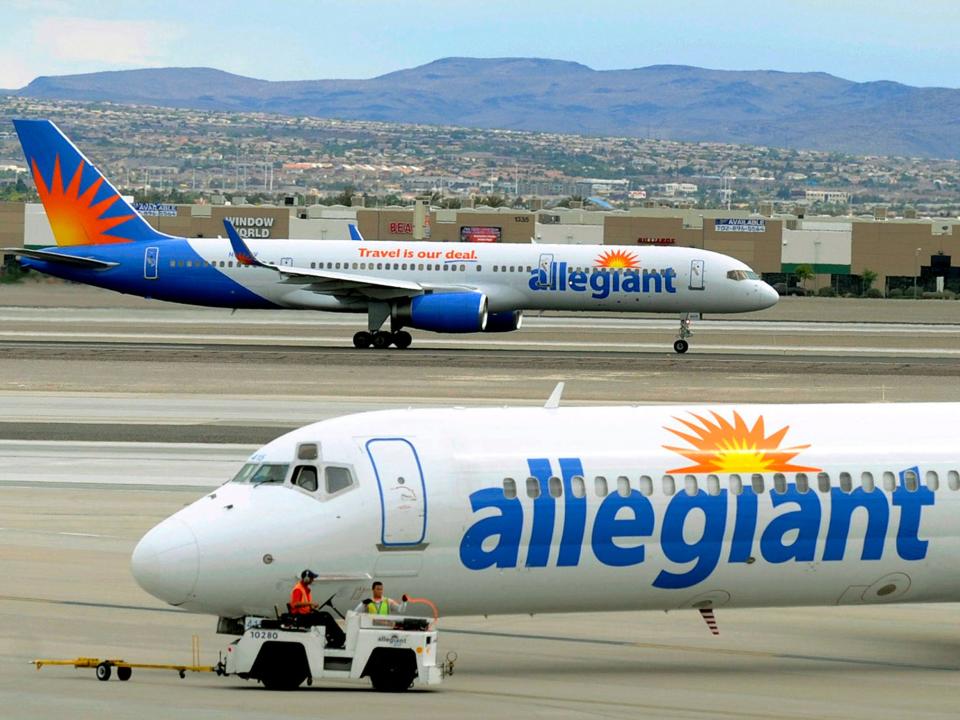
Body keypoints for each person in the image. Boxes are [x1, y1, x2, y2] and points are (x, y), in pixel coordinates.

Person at [289, 569, 345, 648]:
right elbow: (294, 604)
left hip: (305, 615)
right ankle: (336, 639)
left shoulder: (305, 589)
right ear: (307, 579)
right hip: (300, 618)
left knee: (326, 615)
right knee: (324, 618)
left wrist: (311, 607)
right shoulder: (298, 589)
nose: (313, 580)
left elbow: (303, 604)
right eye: (312, 578)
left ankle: (338, 638)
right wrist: (310, 603)